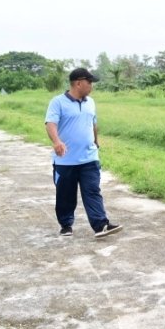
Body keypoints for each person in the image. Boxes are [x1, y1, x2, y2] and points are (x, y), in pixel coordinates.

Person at [45, 67, 122, 238]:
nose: (91, 86)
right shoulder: (57, 102)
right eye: (89, 82)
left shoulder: (91, 102)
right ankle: (66, 225)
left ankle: (101, 225)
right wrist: (57, 141)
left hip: (89, 158)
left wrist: (96, 141)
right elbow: (50, 123)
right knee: (65, 195)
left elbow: (93, 123)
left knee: (92, 190)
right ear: (78, 83)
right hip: (66, 161)